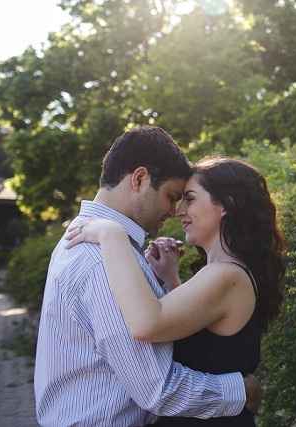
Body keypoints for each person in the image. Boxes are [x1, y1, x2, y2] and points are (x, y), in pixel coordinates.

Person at [34, 126, 261, 426]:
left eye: (187, 199)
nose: (174, 210)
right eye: (172, 196)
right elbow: (156, 388)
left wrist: (165, 282)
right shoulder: (102, 257)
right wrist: (240, 391)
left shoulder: (92, 240)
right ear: (140, 179)